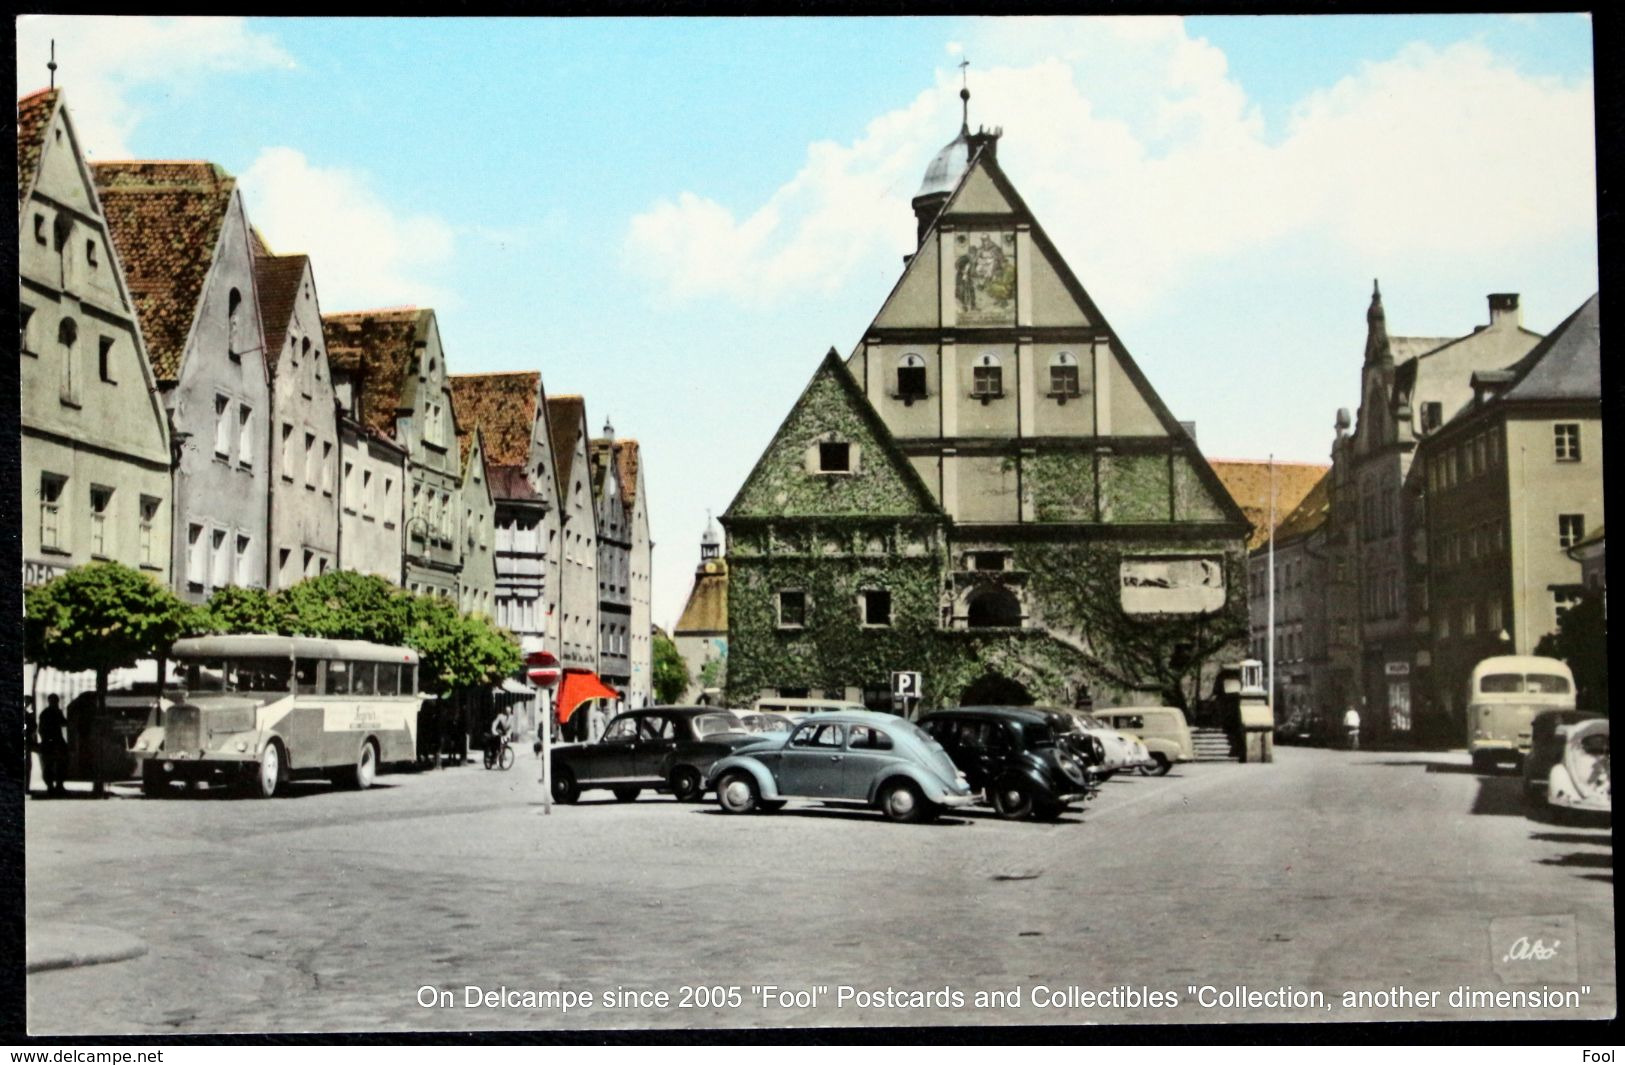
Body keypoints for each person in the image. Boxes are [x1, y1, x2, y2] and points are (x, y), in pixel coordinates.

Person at [38, 694, 68, 796]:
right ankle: (56, 785)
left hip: (50, 741)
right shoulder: (52, 712)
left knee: (51, 765)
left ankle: (53, 785)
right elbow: (64, 723)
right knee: (57, 763)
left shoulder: (46, 713)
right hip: (54, 741)